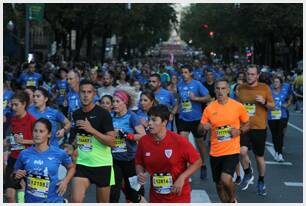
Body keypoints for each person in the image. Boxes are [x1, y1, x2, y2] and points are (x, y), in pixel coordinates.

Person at [135, 104, 202, 203]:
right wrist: (140, 173)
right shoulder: (144, 141)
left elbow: (198, 161)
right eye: (149, 120)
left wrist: (182, 177)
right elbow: (139, 162)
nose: (149, 123)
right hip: (156, 196)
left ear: (164, 122)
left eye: (154, 120)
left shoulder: (179, 141)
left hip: (178, 195)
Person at [199, 78, 250, 203]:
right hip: (215, 152)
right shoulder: (209, 109)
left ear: (228, 90)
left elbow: (247, 123)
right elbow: (200, 129)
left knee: (226, 179)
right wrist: (203, 128)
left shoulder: (237, 106)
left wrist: (239, 131)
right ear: (215, 91)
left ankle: (233, 200)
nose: (220, 91)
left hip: (231, 150)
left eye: (223, 88)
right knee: (219, 185)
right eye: (218, 88)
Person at [71, 80, 115, 203]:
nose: (86, 95)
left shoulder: (103, 114)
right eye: (83, 92)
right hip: (82, 164)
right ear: (79, 94)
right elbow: (76, 138)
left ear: (94, 94)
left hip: (102, 164)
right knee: (76, 200)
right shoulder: (76, 114)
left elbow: (112, 142)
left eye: (89, 92)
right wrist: (71, 147)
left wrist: (92, 130)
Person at [13, 118, 75, 203]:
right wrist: (16, 175)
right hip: (30, 201)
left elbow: (72, 167)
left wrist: (65, 182)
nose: (37, 134)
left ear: (49, 134)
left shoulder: (59, 153)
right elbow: (14, 173)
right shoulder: (24, 154)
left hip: (53, 201)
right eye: (35, 131)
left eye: (41, 131)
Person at [237, 64, 275, 196]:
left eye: (253, 74)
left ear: (257, 75)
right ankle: (248, 173)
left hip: (259, 128)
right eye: (248, 74)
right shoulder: (240, 88)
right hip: (244, 127)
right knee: (242, 151)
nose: (250, 76)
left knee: (259, 157)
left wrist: (264, 102)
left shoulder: (264, 88)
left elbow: (272, 107)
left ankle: (261, 180)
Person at [110, 90, 146, 203]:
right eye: (113, 101)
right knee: (113, 193)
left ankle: (140, 198)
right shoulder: (111, 116)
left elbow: (143, 136)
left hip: (130, 160)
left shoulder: (131, 116)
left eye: (117, 101)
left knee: (133, 193)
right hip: (115, 160)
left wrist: (127, 135)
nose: (114, 104)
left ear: (124, 102)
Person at [176, 65, 211, 180]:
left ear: (190, 73)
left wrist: (195, 99)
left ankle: (203, 165)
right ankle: (186, 168)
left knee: (200, 143)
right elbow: (178, 100)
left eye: (186, 72)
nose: (183, 74)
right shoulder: (179, 85)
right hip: (183, 118)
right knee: (183, 144)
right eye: (182, 72)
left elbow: (208, 97)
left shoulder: (197, 84)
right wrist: (173, 112)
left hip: (196, 119)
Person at [4, 91, 37, 203]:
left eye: (16, 105)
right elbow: (10, 138)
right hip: (13, 159)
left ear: (24, 104)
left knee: (29, 195)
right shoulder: (12, 119)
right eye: (12, 105)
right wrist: (7, 142)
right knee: (9, 194)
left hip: (28, 160)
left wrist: (24, 141)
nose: (13, 107)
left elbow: (41, 141)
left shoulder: (33, 120)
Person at [268, 76, 292, 162]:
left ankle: (280, 153)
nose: (275, 83)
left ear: (281, 83)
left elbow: (290, 97)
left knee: (280, 134)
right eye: (274, 82)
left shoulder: (284, 90)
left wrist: (287, 104)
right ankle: (276, 152)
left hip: (282, 115)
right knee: (274, 135)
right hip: (271, 116)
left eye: (277, 82)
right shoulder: (269, 91)